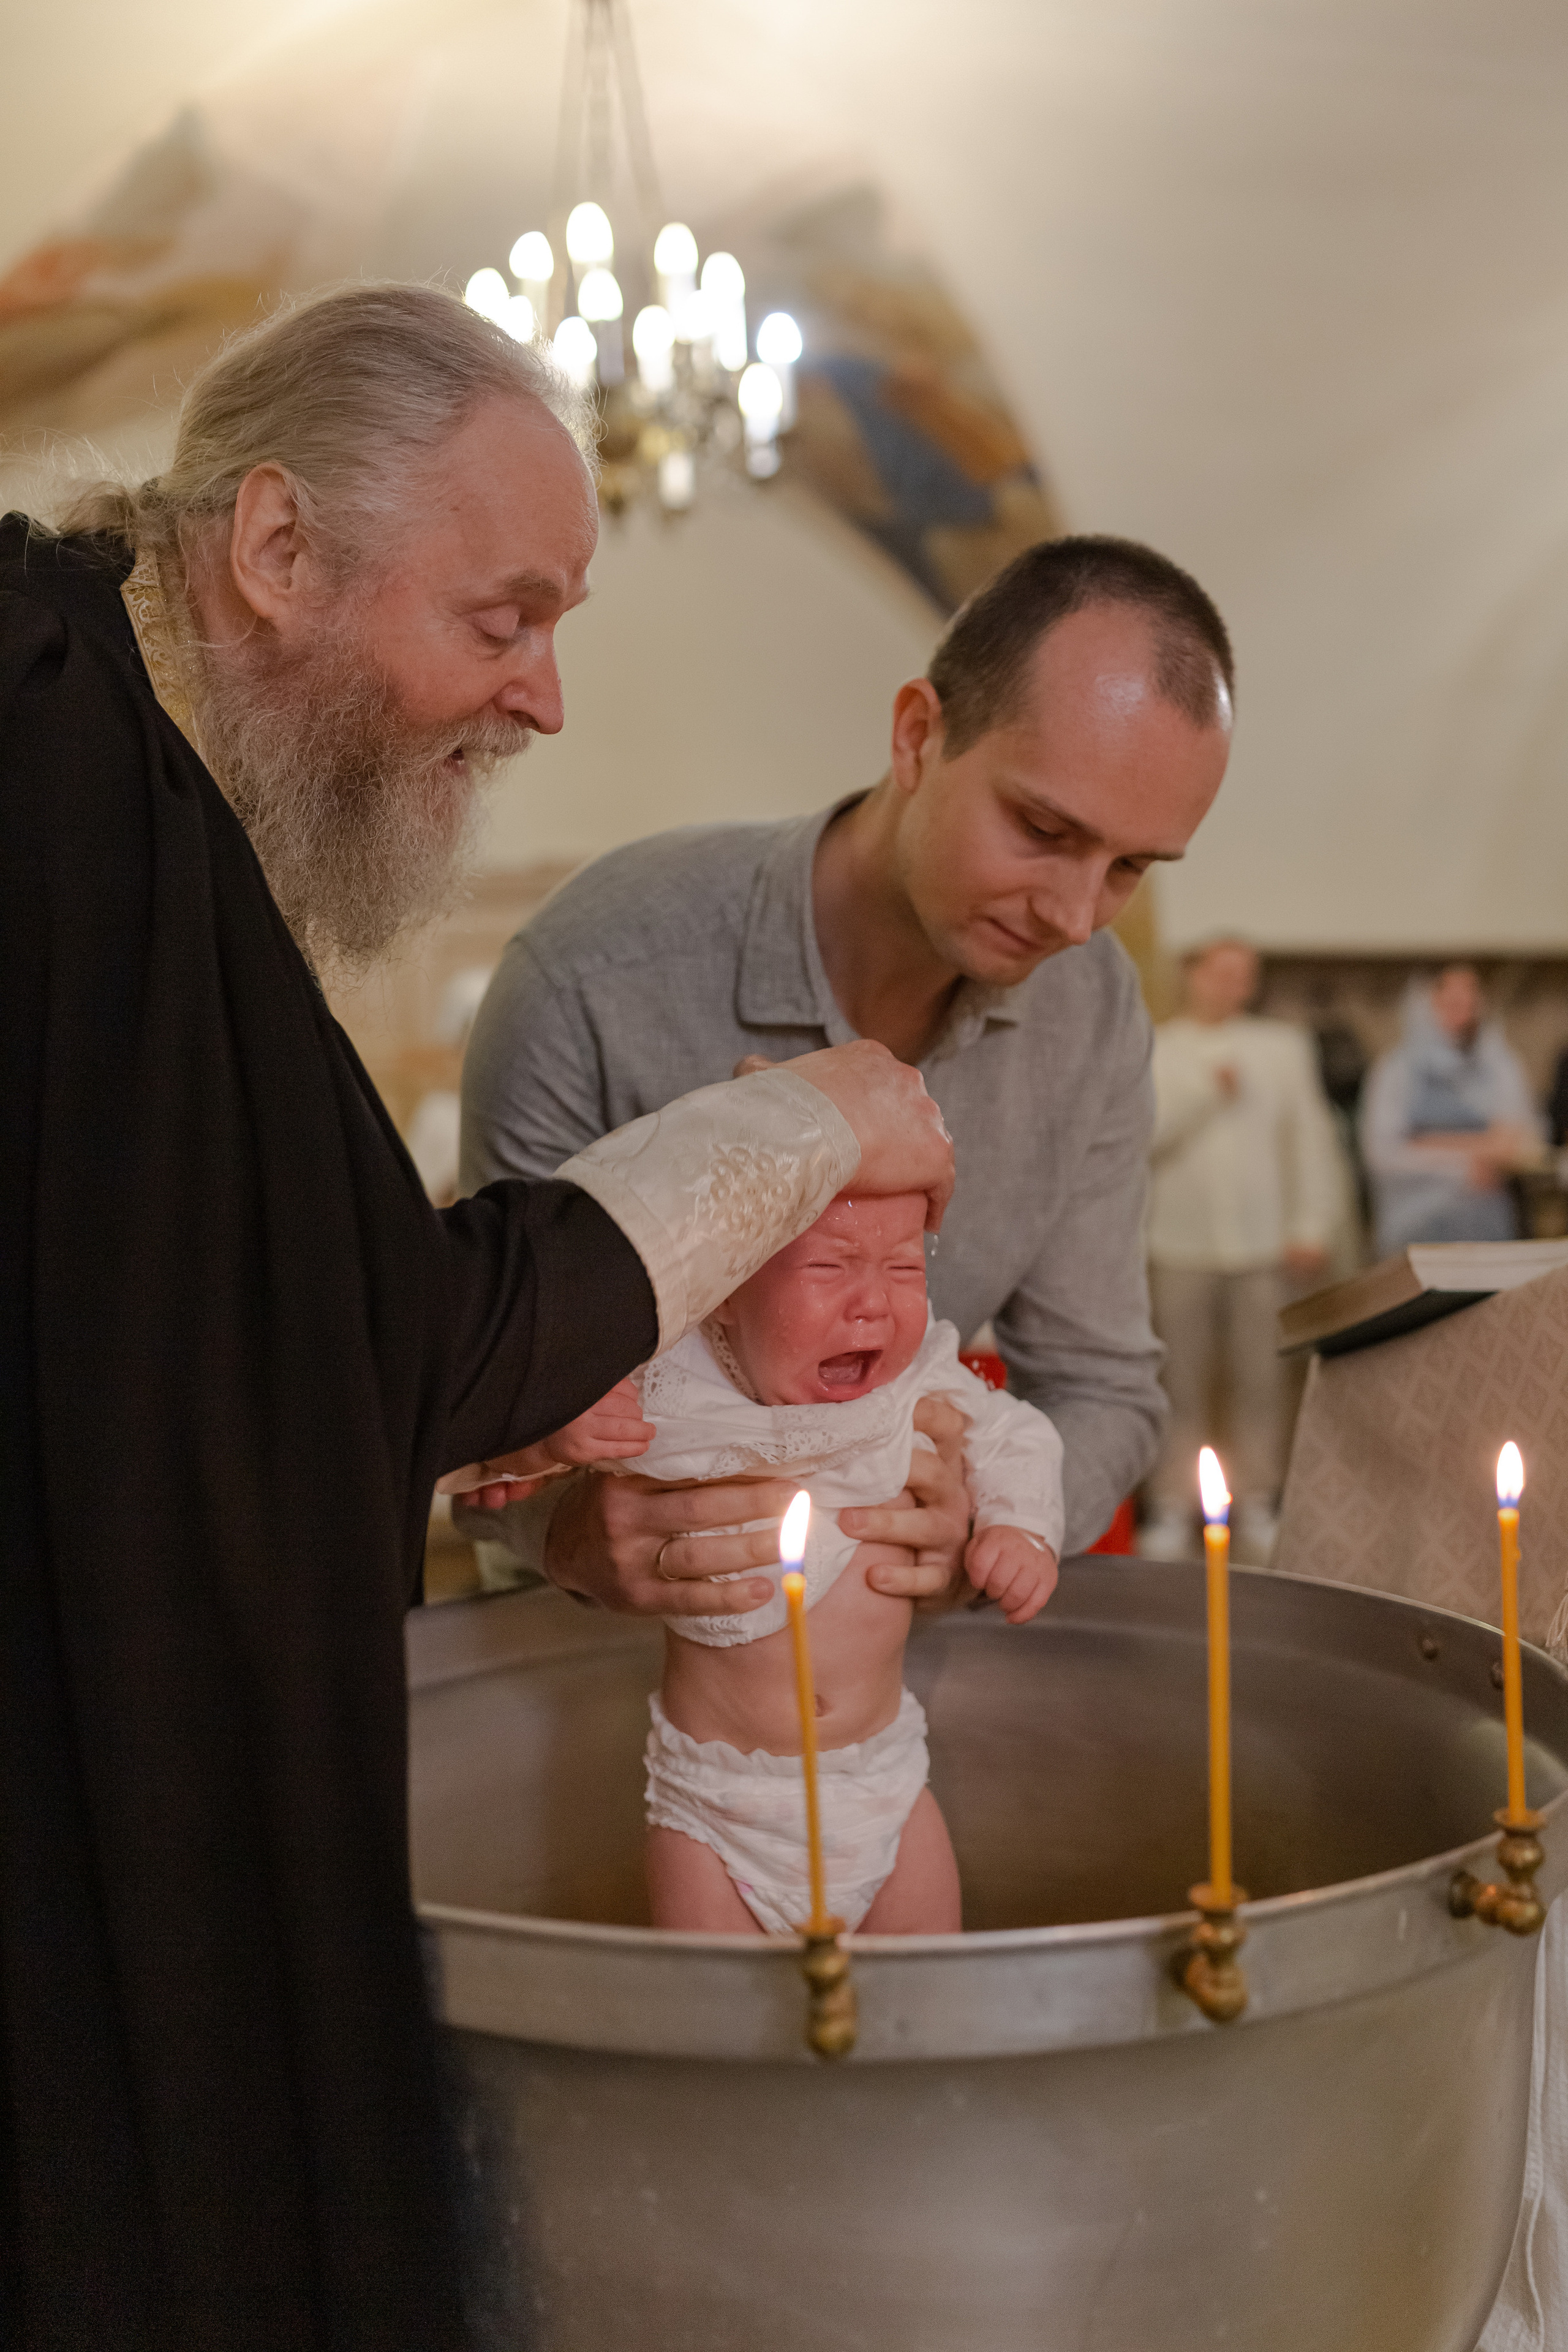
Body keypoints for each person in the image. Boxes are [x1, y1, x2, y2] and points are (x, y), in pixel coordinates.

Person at [0, 283, 955, 2350]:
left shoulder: (125, 771)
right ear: (275, 553)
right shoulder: (59, 750)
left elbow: (272, 1336)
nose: (538, 702)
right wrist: (804, 1124)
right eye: (502, 616)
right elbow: (392, 1344)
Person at [456, 533, 1236, 1611]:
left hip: (891, 1664)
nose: (1075, 916)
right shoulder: (597, 971)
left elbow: (1101, 1387)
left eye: (1132, 869)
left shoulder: (1092, 1008)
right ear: (919, 734)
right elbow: (488, 1400)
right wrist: (573, 1533)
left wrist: (987, 1521)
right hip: (606, 1661)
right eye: (1043, 829)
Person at [619, 1190, 1061, 1936]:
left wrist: (1020, 1529)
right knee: (720, 2034)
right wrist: (537, 1450)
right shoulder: (668, 1381)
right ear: (724, 1292)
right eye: (829, 1266)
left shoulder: (918, 1381)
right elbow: (551, 1409)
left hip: (882, 1786)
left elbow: (1016, 1437)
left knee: (916, 2021)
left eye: (903, 1268)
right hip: (718, 1808)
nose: (873, 1306)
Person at [1139, 937, 1345, 1565]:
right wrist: (1206, 1091)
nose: (1234, 986)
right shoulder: (1158, 1047)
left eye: (1244, 976)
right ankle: (1173, 1503)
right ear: (1191, 974)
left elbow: (1309, 1138)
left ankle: (1257, 1496)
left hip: (1261, 1244)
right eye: (1221, 973)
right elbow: (1139, 1136)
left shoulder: (1280, 1049)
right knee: (1179, 1378)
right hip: (1179, 1241)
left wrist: (1311, 1224)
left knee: (1263, 1377)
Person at [1360, 965, 1541, 1257]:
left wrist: (1427, 1141)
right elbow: (1382, 1153)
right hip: (1411, 1232)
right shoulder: (1396, 1071)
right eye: (1453, 1005)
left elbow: (1519, 1143)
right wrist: (1467, 1164)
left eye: (1473, 1004)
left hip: (1489, 1231)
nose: (1464, 1015)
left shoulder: (1501, 1066)